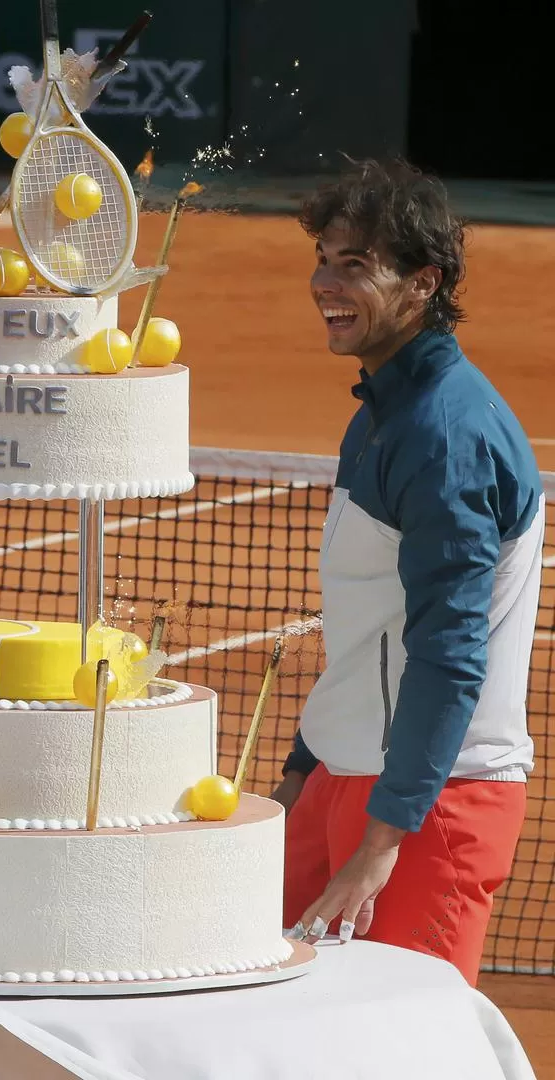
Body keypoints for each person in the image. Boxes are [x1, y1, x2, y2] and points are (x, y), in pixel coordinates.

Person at [273, 158, 544, 986]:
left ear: (423, 283)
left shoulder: (444, 437)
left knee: (405, 1048)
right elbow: (366, 631)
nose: (327, 281)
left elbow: (449, 655)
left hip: (431, 807)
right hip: (343, 778)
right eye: (325, 257)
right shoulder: (384, 409)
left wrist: (379, 848)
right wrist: (298, 779)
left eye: (356, 264)